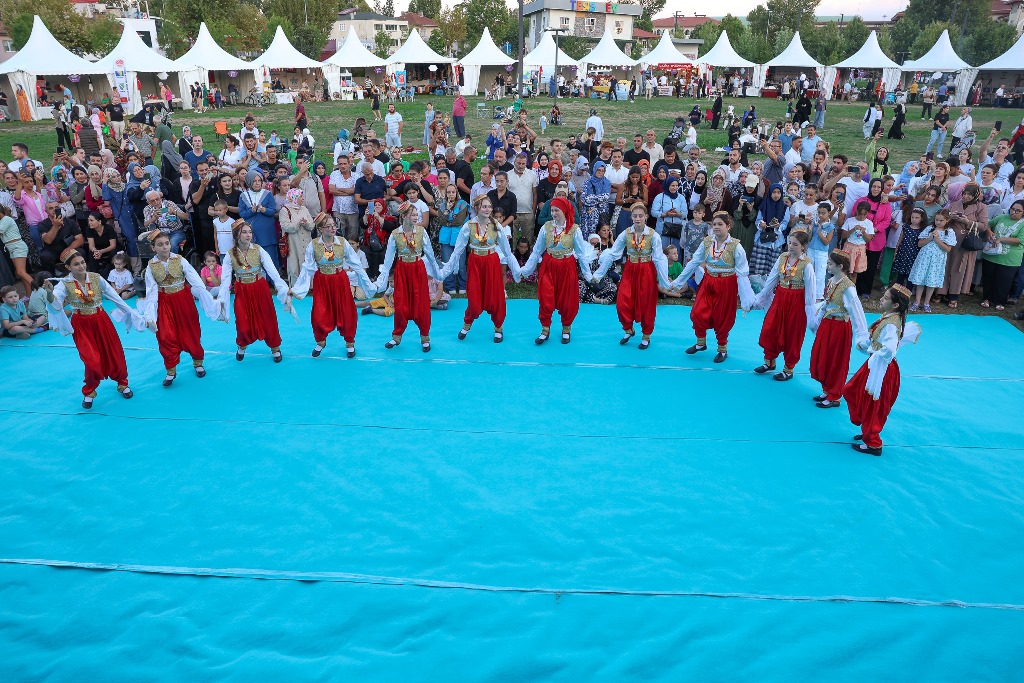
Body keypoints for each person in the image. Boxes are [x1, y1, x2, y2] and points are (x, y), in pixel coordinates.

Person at [44, 248, 147, 407]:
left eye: (83, 262)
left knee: (114, 352)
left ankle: (122, 383)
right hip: (81, 325)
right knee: (91, 359)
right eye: (76, 264)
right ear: (68, 267)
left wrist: (134, 315)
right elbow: (56, 304)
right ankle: (89, 390)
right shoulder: (65, 284)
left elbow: (115, 297)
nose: (81, 266)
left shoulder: (96, 278)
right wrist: (50, 294)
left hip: (101, 320)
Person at [843, 284, 921, 456]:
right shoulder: (891, 317)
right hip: (876, 363)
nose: (881, 299)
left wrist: (872, 350)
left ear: (895, 305)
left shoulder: (891, 325)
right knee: (853, 391)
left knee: (873, 403)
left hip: (881, 368)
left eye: (885, 298)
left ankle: (873, 442)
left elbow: (890, 348)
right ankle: (867, 429)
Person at [139, 231, 222, 387]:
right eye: (160, 244)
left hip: (183, 299)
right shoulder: (151, 266)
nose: (165, 247)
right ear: (153, 248)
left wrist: (207, 298)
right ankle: (170, 370)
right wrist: (150, 314)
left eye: (167, 243)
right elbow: (151, 291)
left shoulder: (180, 260)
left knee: (190, 330)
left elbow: (195, 280)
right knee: (165, 335)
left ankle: (198, 362)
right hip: (164, 302)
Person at [670, 211, 755, 362]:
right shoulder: (707, 242)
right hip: (708, 281)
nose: (716, 227)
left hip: (727, 284)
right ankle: (700, 343)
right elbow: (694, 262)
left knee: (722, 317)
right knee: (697, 312)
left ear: (728, 226)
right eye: (714, 224)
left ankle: (722, 348)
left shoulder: (736, 246)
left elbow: (742, 274)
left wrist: (746, 298)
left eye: (720, 224)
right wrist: (678, 282)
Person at [289, 215, 376, 359]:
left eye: (333, 225)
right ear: (320, 229)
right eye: (328, 226)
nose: (332, 228)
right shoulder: (314, 244)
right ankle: (320, 341)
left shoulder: (342, 242)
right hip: (322, 282)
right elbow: (307, 268)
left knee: (346, 311)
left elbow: (357, 265)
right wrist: (297, 289)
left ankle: (350, 342)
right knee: (319, 313)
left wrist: (368, 285)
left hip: (340, 281)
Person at [439, 195, 520, 342]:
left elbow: (507, 251)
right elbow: (458, 250)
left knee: (495, 296)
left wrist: (517, 271)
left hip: (492, 263)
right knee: (474, 298)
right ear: (477, 208)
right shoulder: (468, 226)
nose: (487, 209)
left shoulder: (496, 225)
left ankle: (498, 327)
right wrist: (445, 272)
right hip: (475, 263)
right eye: (484, 206)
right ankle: (467, 324)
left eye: (489, 206)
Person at [590, 203, 672, 349]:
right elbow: (613, 253)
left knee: (646, 303)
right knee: (622, 300)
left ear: (646, 217)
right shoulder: (626, 233)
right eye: (635, 216)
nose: (638, 218)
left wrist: (664, 282)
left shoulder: (653, 235)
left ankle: (646, 335)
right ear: (631, 217)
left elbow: (659, 258)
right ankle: (628, 329)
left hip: (646, 270)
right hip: (630, 269)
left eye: (641, 215)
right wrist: (598, 274)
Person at [518, 197, 596, 344]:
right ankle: (545, 329)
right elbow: (536, 251)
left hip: (567, 267)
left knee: (567, 300)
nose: (553, 213)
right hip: (549, 265)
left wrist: (588, 274)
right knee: (546, 297)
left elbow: (580, 254)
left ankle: (566, 328)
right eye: (552, 210)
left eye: (556, 210)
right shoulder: (546, 227)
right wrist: (527, 270)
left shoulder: (574, 230)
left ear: (564, 211)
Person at [216, 221, 291, 362]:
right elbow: (225, 279)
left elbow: (272, 271)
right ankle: (242, 345)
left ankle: (275, 347)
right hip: (242, 290)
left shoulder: (258, 249)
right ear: (237, 235)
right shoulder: (230, 254)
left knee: (268, 318)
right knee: (243, 320)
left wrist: (282, 287)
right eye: (244, 232)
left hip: (260, 288)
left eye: (249, 232)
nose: (248, 235)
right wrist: (222, 298)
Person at [373, 203, 443, 352]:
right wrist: (382, 279)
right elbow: (388, 259)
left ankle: (425, 336)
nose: (416, 217)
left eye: (417, 214)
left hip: (417, 269)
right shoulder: (395, 234)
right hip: (402, 270)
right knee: (401, 302)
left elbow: (430, 254)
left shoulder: (421, 232)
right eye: (413, 215)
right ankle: (396, 336)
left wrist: (438, 273)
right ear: (404, 216)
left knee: (421, 302)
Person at [752, 230, 817, 381]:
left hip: (796, 302)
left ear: (804, 246)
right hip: (780, 298)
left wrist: (810, 313)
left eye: (795, 244)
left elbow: (811, 291)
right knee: (771, 328)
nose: (791, 246)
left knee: (792, 334)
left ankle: (789, 368)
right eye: (790, 243)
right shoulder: (782, 258)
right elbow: (772, 278)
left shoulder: (806, 265)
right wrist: (760, 298)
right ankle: (769, 361)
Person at [809, 250, 869, 409]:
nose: (827, 266)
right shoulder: (831, 281)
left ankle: (835, 396)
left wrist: (862, 336)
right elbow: (826, 304)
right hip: (827, 325)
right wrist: (816, 320)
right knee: (822, 356)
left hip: (840, 327)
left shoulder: (848, 287)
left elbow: (856, 312)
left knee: (836, 360)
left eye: (830, 264)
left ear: (840, 266)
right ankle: (827, 389)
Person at [909, 210, 957, 312]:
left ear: (947, 220)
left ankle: (926, 303)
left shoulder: (949, 232)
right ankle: (917, 301)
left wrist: (937, 240)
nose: (938, 222)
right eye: (936, 220)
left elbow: (948, 249)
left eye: (941, 220)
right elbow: (920, 244)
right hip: (924, 257)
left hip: (937, 260)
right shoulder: (929, 228)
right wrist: (930, 237)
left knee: (931, 280)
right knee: (920, 279)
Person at [980, 201, 1024, 310]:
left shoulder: (1022, 224)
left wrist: (1001, 239)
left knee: (1004, 281)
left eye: (1018, 210)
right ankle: (986, 298)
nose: (1013, 212)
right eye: (1012, 209)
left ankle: (1000, 301)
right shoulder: (1002, 217)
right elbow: (988, 225)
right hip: (991, 254)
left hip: (1009, 258)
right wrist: (989, 232)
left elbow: (1019, 240)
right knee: (988, 277)